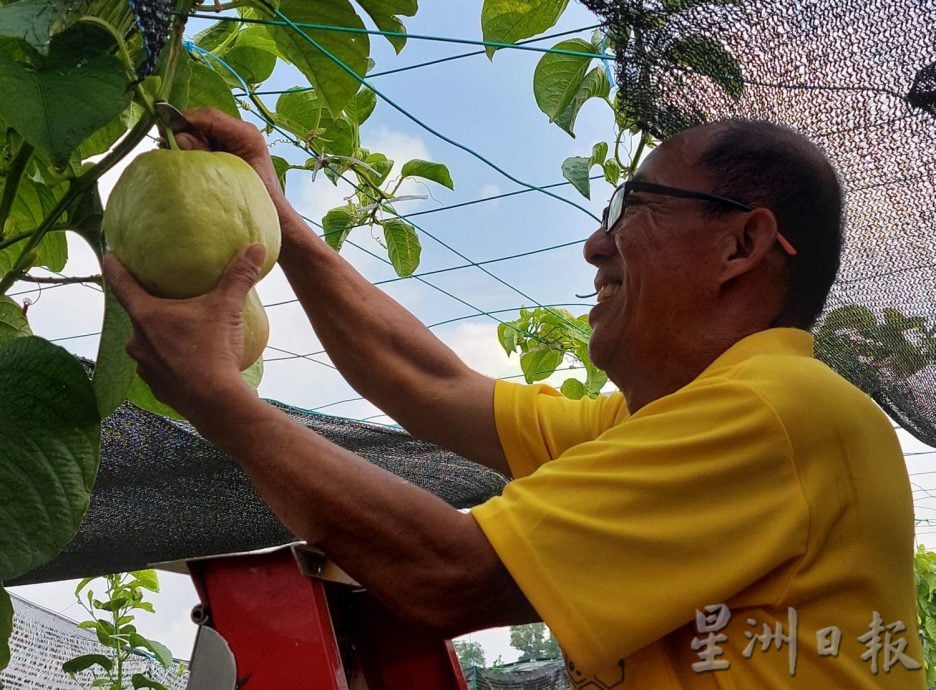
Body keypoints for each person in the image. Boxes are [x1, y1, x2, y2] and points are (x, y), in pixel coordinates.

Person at [102, 109, 924, 689]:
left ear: (742, 243)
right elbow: (426, 382)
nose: (597, 243)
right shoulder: (668, 422)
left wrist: (219, 399)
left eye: (631, 208)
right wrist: (271, 217)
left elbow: (452, 575)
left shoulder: (776, 412)